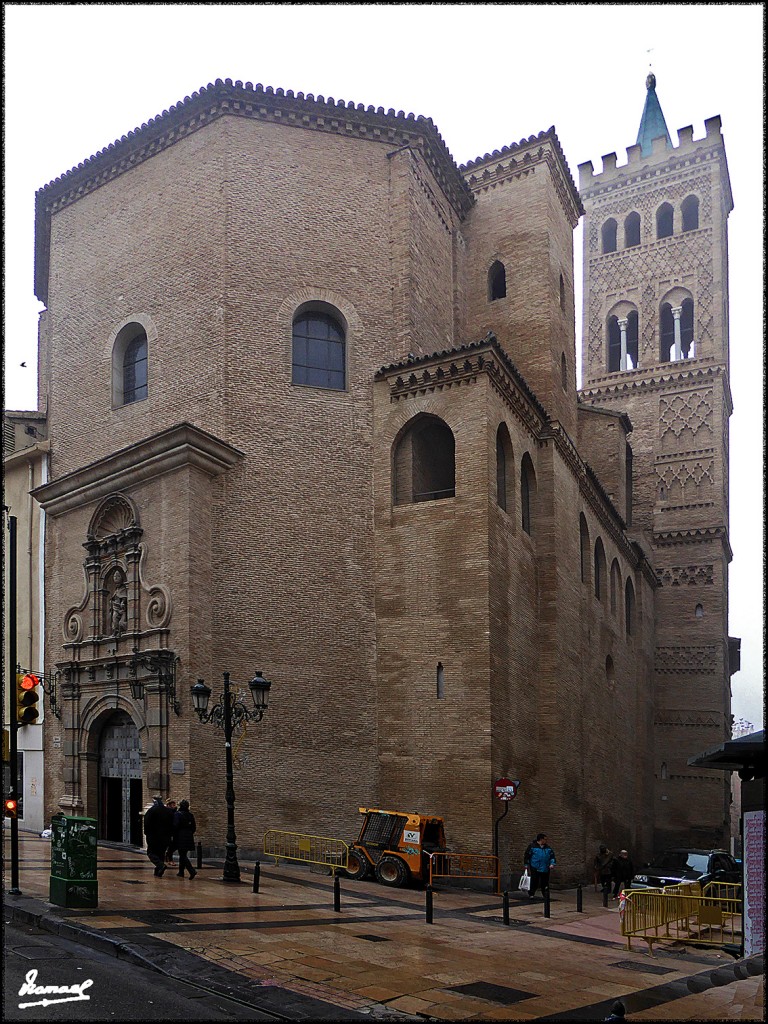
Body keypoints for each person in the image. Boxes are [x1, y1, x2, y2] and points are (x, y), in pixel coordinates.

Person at [143, 796, 172, 877]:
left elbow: (147, 823)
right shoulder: (168, 811)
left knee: (151, 853)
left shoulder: (151, 810)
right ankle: (158, 872)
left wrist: (147, 834)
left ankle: (160, 865)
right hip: (166, 837)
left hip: (154, 837)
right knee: (161, 854)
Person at [524, 833, 556, 899]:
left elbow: (552, 856)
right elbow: (527, 856)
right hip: (535, 867)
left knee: (545, 882)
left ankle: (545, 895)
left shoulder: (548, 848)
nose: (546, 841)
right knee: (534, 881)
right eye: (545, 839)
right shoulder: (532, 847)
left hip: (545, 867)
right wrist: (526, 865)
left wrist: (552, 864)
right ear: (541, 839)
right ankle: (531, 894)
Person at [173, 799, 197, 878]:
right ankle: (181, 872)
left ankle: (191, 870)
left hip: (180, 836)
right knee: (183, 854)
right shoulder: (190, 815)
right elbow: (194, 827)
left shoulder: (177, 814)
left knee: (182, 855)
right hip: (189, 836)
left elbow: (175, 826)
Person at [164, 799, 178, 866]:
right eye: (173, 804)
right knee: (170, 845)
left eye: (174, 804)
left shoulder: (175, 812)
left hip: (174, 831)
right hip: (168, 831)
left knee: (173, 846)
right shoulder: (167, 812)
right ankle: (169, 859)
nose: (174, 806)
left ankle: (168, 856)